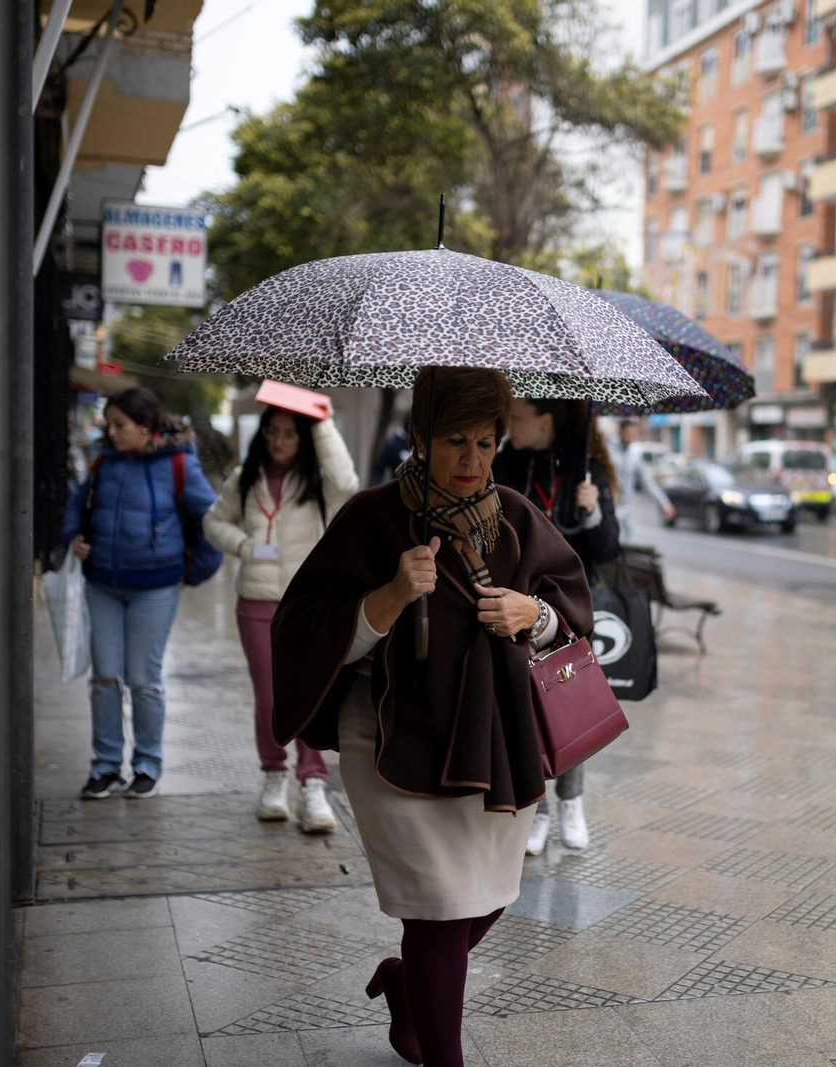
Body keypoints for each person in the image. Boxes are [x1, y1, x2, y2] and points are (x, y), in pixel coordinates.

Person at [271, 368, 593, 1067]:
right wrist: (386, 599)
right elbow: (302, 628)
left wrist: (530, 614)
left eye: (486, 442)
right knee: (441, 911)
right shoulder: (373, 517)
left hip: (495, 737)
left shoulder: (514, 516)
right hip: (394, 741)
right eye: (454, 442)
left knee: (490, 897)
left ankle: (408, 986)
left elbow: (571, 607)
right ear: (418, 437)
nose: (472, 462)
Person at [202, 402, 360, 832]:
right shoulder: (245, 478)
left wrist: (321, 418)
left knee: (310, 692)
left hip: (306, 601)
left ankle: (312, 784)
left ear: (304, 437)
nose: (279, 440)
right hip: (255, 601)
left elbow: (348, 482)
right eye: (272, 431)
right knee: (269, 696)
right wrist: (244, 546)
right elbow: (213, 522)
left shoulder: (317, 480)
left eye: (290, 432)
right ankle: (274, 776)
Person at [61, 387, 217, 800]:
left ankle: (147, 764)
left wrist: (192, 572)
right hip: (102, 584)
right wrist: (74, 538)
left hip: (155, 588)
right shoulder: (103, 462)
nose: (111, 432)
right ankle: (105, 766)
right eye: (109, 424)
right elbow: (77, 507)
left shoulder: (179, 463)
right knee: (105, 679)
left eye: (120, 425)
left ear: (145, 427)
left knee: (144, 680)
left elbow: (211, 520)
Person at [492, 398, 620, 854]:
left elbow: (607, 550)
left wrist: (594, 511)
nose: (510, 425)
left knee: (568, 702)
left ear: (544, 421)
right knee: (525, 708)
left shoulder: (585, 469)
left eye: (518, 417)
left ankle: (572, 802)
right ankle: (538, 810)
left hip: (571, 605)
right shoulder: (503, 464)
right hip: (520, 601)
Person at [612, 419, 675, 538]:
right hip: (610, 507)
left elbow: (647, 483)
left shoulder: (634, 455)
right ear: (620, 432)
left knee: (625, 546)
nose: (631, 437)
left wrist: (664, 503)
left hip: (627, 509)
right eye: (628, 433)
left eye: (633, 434)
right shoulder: (609, 451)